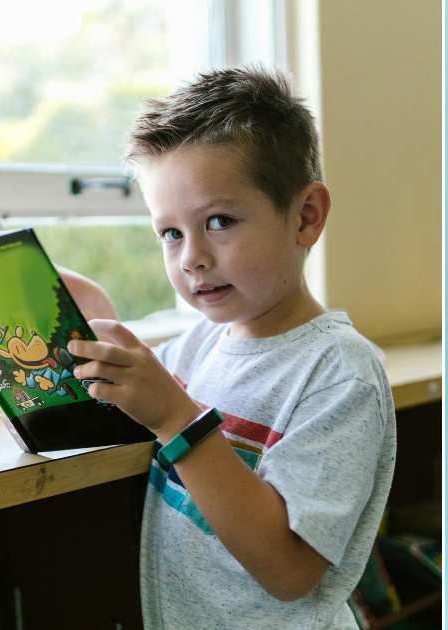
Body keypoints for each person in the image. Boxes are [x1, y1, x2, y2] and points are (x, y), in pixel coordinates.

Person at [59, 67, 397, 629]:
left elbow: (289, 571)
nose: (190, 257)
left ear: (306, 217)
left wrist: (176, 418)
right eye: (170, 233)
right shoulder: (198, 346)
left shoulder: (341, 373)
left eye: (219, 221)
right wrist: (91, 327)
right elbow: (124, 409)